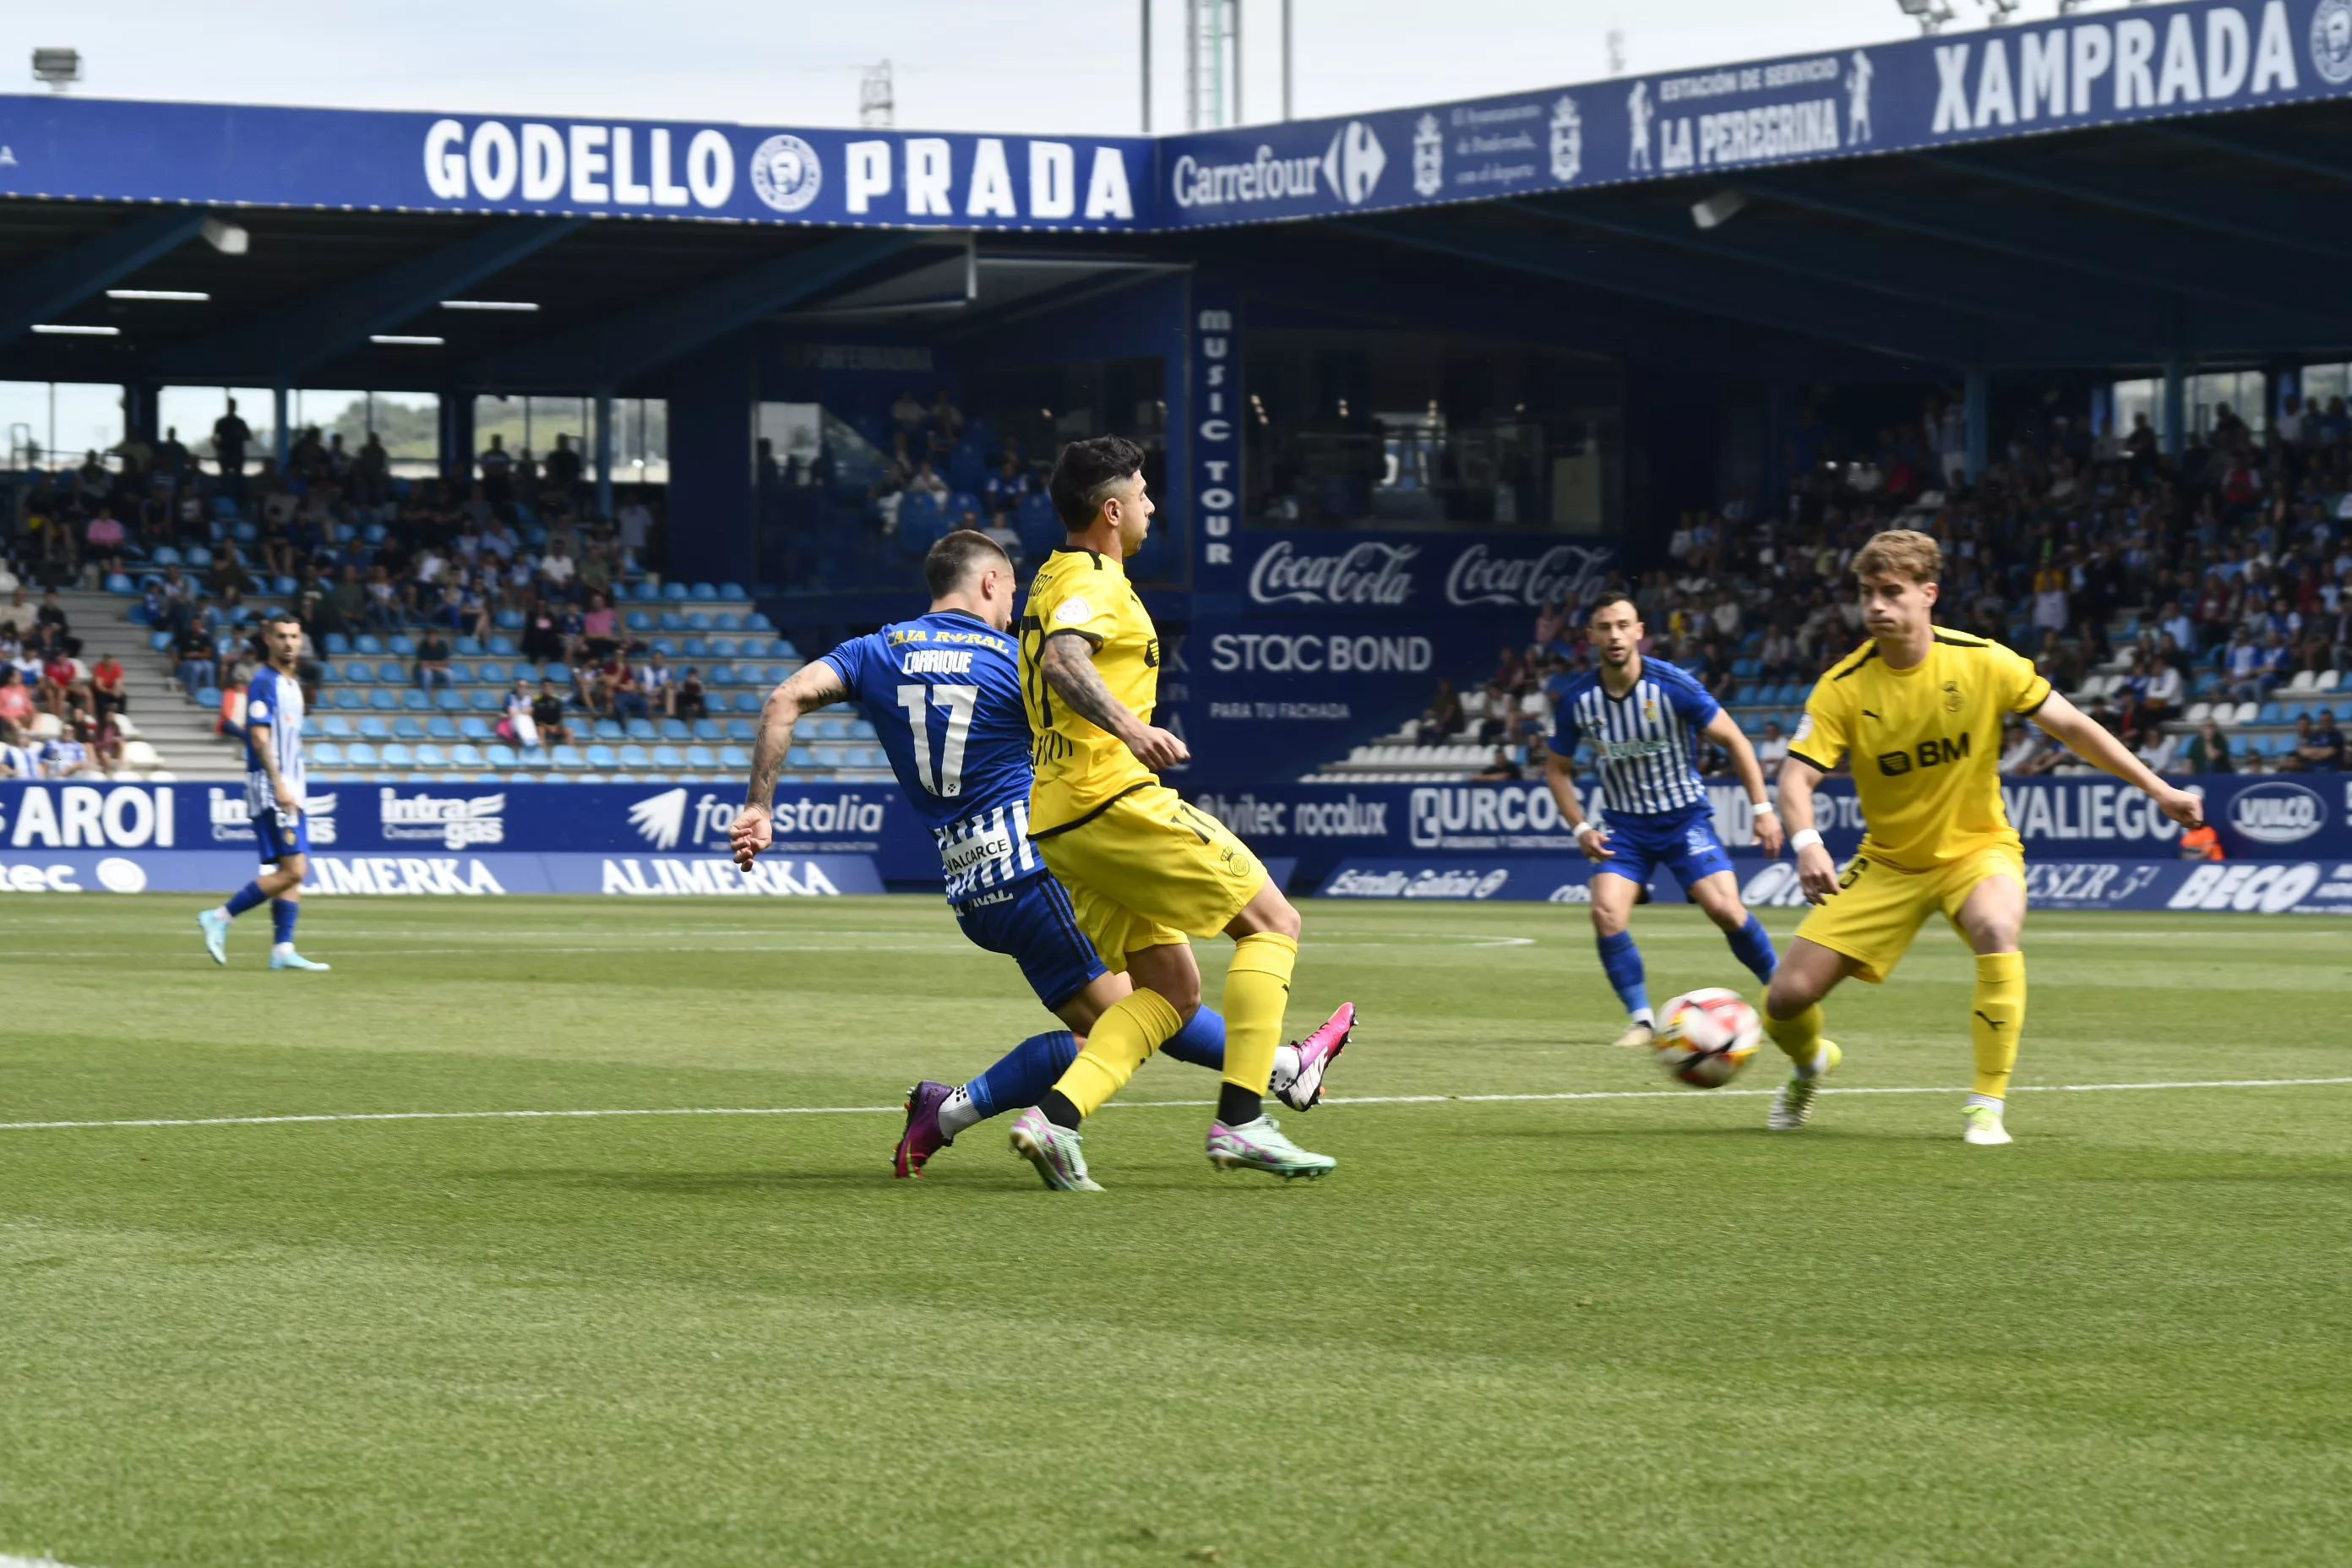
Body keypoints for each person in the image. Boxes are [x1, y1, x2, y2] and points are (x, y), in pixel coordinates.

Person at [731, 529, 1353, 1179]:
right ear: (991, 583)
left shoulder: (876, 650)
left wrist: (759, 806)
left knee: (1127, 1018)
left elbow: (785, 699)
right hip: (1033, 869)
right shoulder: (1007, 661)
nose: (1013, 611)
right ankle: (1277, 1071)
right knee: (1141, 1018)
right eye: (1011, 596)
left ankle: (1279, 1069)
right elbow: (1072, 733)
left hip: (972, 887)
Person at [1766, 531, 2202, 1146]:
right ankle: (1811, 1063)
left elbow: (2073, 727)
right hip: (1887, 862)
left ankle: (1985, 1104)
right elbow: (1795, 776)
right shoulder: (1843, 686)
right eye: (1867, 593)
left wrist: (2158, 789)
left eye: (1892, 592)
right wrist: (1807, 840)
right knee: (1785, 997)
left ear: (1928, 594)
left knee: (1997, 930)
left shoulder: (1982, 660)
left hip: (1978, 849)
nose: (1876, 606)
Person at [1010, 437, 1341, 1188]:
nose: (1154, 506)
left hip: (1061, 818)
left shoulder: (1050, 577)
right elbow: (1065, 658)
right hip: (1113, 798)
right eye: (1145, 493)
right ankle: (1244, 1120)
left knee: (1170, 992)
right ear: (1112, 509)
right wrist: (1131, 728)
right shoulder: (1094, 580)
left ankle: (1055, 1120)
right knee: (1273, 923)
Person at [1542, 594, 1787, 1050]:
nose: (1614, 635)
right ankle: (1641, 1021)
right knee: (1606, 913)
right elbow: (1556, 768)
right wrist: (1580, 828)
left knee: (1726, 910)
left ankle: (1782, 992)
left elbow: (1734, 739)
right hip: (1624, 829)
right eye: (1604, 627)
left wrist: (1762, 809)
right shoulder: (1578, 699)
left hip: (1683, 820)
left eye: (1622, 625)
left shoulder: (1672, 685)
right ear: (1591, 636)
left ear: (1639, 632)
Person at [196, 612, 330, 972]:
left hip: (291, 789)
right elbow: (258, 735)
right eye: (282, 636)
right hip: (272, 788)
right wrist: (279, 783)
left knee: (294, 867)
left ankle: (283, 949)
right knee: (294, 869)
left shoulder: (292, 683)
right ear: (268, 640)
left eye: (294, 636)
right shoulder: (263, 682)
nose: (289, 642)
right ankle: (220, 917)